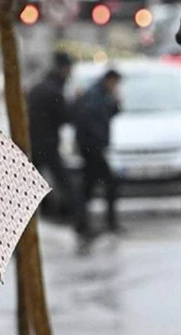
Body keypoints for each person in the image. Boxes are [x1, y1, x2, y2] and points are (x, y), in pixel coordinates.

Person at [28, 52, 79, 219]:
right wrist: (77, 103)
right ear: (64, 69)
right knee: (63, 181)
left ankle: (48, 212)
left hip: (34, 142)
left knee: (31, 183)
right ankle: (78, 219)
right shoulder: (54, 91)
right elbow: (65, 116)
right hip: (47, 143)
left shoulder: (40, 87)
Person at [75, 69, 122, 238]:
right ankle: (91, 223)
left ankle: (83, 223)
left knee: (89, 187)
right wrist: (97, 143)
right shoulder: (95, 95)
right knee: (107, 184)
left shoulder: (101, 94)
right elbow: (91, 121)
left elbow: (111, 113)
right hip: (92, 149)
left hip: (92, 148)